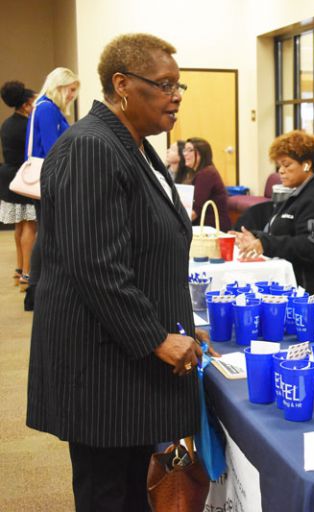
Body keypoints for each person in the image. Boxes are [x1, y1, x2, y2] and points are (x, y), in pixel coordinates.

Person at [26, 33, 217, 511]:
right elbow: (97, 266)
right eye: (165, 84)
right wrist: (157, 338)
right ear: (122, 85)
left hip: (124, 365)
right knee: (108, 494)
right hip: (99, 369)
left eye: (180, 86)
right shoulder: (91, 147)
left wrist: (179, 324)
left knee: (134, 491)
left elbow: (140, 251)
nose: (176, 96)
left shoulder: (132, 145)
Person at [234, 130, 314, 295]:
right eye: (279, 166)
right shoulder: (297, 195)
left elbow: (310, 246)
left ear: (307, 165)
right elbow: (280, 231)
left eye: (287, 165)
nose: (281, 171)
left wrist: (264, 244)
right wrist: (256, 237)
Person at [23, 67, 79, 305]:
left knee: (46, 231)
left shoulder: (48, 108)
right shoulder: (46, 109)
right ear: (60, 86)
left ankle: (36, 288)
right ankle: (35, 289)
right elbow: (52, 148)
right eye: (71, 90)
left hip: (48, 177)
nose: (73, 95)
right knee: (46, 232)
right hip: (49, 179)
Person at [0, 81, 37, 288]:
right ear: (25, 105)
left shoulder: (6, 123)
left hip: (7, 177)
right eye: (33, 103)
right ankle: (27, 275)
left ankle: (19, 270)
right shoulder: (27, 126)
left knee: (19, 226)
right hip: (23, 178)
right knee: (30, 227)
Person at [182, 136, 231, 230]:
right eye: (185, 150)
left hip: (213, 230)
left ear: (201, 153)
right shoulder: (198, 173)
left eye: (189, 150)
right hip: (204, 227)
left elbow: (194, 212)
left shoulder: (207, 174)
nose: (185, 154)